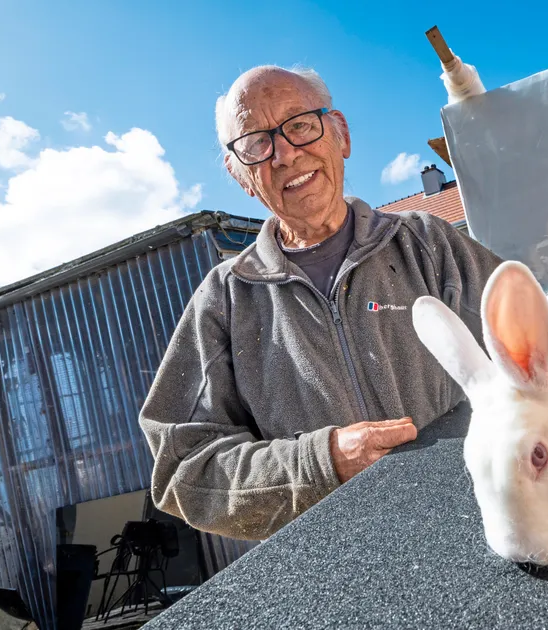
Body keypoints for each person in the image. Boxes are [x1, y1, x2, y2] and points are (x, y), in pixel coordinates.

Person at [138, 65, 503, 541]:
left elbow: (542, 356)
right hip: (336, 570)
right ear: (240, 174)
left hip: (480, 527)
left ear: (341, 134)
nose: (286, 154)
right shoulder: (225, 299)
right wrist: (320, 462)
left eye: (301, 125)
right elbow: (182, 469)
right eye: (256, 143)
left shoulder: (430, 244)